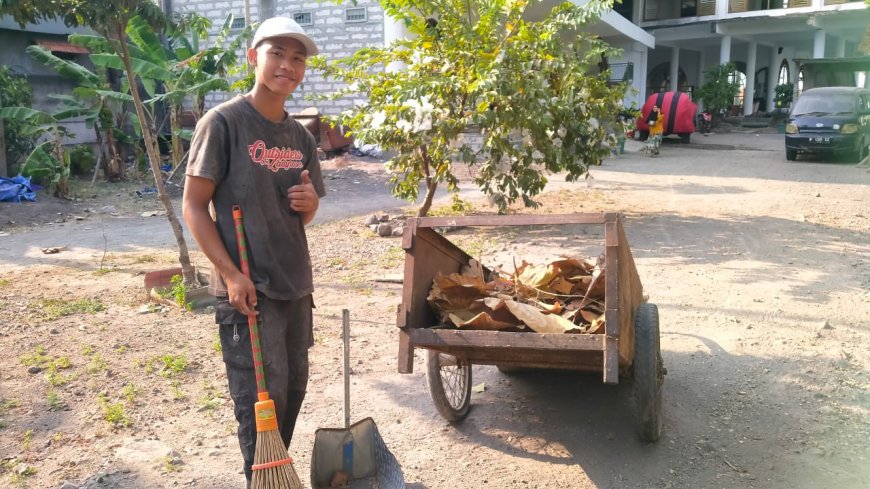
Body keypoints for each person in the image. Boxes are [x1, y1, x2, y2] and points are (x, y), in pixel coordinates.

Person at [181, 16, 326, 488]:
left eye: (297, 58)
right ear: (253, 58)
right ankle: (261, 480)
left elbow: (304, 211)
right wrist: (229, 275)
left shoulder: (301, 137)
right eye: (277, 54)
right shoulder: (223, 123)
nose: (288, 65)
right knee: (259, 405)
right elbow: (195, 206)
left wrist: (310, 205)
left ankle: (274, 478)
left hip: (295, 286)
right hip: (249, 289)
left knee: (292, 393)